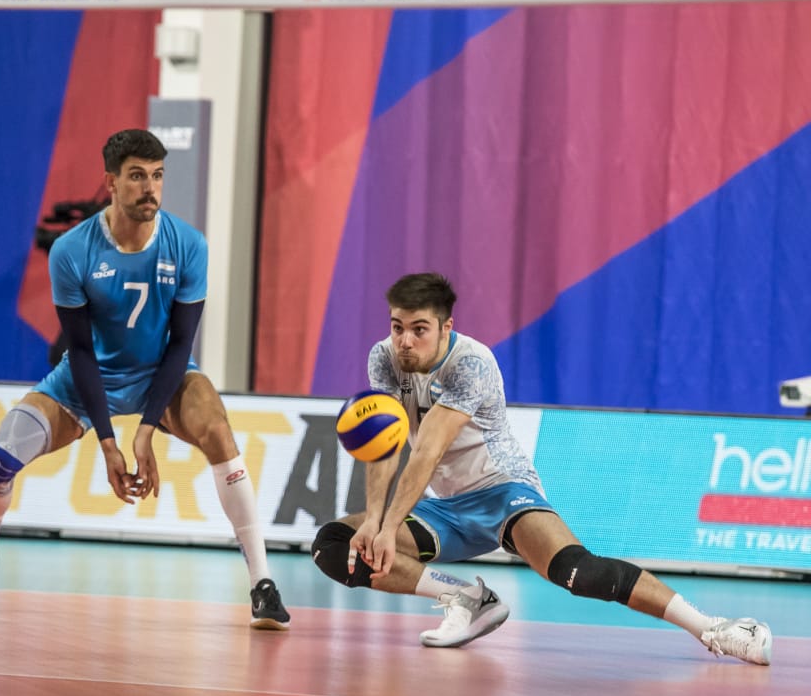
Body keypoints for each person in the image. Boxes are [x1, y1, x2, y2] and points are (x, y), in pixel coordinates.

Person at [0, 128, 291, 630]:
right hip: (86, 378)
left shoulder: (188, 245)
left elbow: (182, 345)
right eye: (137, 177)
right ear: (112, 183)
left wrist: (144, 430)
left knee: (220, 434)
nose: (151, 189)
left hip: (164, 375)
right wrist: (107, 441)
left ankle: (262, 582)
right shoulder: (72, 251)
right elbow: (78, 349)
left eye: (158, 176)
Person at [310, 272, 773, 664]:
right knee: (337, 544)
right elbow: (386, 443)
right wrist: (374, 521)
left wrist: (390, 525)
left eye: (418, 329)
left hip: (503, 491)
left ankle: (714, 628)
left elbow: (426, 450)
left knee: (578, 571)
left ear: (446, 327)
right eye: (396, 328)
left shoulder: (471, 363)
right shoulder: (385, 359)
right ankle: (466, 598)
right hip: (446, 507)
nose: (405, 341)